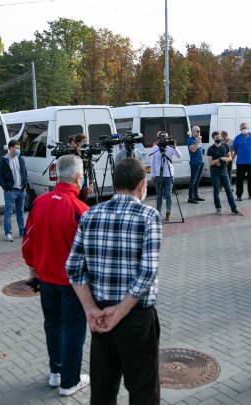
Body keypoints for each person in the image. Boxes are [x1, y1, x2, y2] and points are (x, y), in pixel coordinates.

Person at [66, 158, 162, 404]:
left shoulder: (90, 215)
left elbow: (73, 267)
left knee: (102, 389)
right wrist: (119, 311)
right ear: (142, 185)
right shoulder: (148, 215)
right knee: (143, 390)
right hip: (135, 317)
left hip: (100, 316)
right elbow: (147, 272)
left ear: (114, 183)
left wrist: (90, 309)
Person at [22, 155, 91, 397]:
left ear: (56, 174)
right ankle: (69, 382)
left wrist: (33, 270)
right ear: (79, 177)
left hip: (45, 280)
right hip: (72, 285)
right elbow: (89, 253)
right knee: (74, 330)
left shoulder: (39, 203)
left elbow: (28, 241)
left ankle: (56, 372)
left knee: (53, 325)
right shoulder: (81, 210)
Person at [0, 140, 28, 242]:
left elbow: (24, 173)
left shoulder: (20, 159)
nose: (18, 150)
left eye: (19, 148)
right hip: (11, 191)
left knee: (20, 212)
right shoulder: (3, 161)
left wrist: (24, 184)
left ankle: (22, 231)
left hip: (21, 190)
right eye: (16, 148)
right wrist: (7, 189)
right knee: (8, 212)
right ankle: (8, 233)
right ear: (10, 148)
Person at [206, 131, 243, 216]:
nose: (219, 139)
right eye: (217, 138)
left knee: (229, 190)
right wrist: (219, 159)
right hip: (215, 173)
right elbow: (210, 162)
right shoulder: (210, 149)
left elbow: (230, 157)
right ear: (213, 139)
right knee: (216, 191)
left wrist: (225, 159)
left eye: (219, 137)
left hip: (224, 172)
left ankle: (234, 209)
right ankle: (218, 208)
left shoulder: (225, 146)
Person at [150, 131, 182, 222]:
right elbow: (152, 163)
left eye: (165, 138)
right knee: (159, 195)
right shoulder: (155, 148)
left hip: (169, 175)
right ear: (158, 139)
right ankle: (158, 213)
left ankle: (168, 212)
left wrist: (175, 147)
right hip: (158, 175)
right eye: (162, 138)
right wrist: (152, 175)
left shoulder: (170, 147)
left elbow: (180, 156)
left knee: (168, 195)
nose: (164, 140)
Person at [233, 122, 251, 201]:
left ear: (248, 128)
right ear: (240, 129)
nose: (244, 129)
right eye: (242, 128)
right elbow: (234, 148)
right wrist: (238, 154)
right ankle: (239, 196)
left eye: (245, 128)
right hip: (240, 162)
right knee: (239, 180)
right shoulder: (237, 138)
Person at [187, 126, 205, 203]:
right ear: (193, 131)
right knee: (193, 180)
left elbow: (200, 150)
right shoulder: (190, 140)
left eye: (199, 131)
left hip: (201, 162)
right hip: (195, 162)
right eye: (197, 131)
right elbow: (193, 150)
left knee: (197, 180)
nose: (199, 132)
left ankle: (196, 195)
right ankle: (190, 197)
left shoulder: (199, 140)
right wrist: (197, 141)